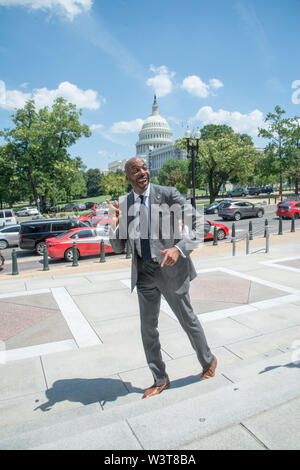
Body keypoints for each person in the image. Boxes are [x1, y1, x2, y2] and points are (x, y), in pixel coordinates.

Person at [107, 157, 217, 399]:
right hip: (144, 273)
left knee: (187, 319)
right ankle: (160, 378)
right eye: (135, 170)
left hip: (170, 269)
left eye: (144, 168)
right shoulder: (125, 203)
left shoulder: (168, 195)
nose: (142, 172)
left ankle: (208, 361)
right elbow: (117, 247)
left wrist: (179, 248)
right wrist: (114, 224)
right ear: (128, 177)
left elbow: (202, 224)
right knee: (148, 330)